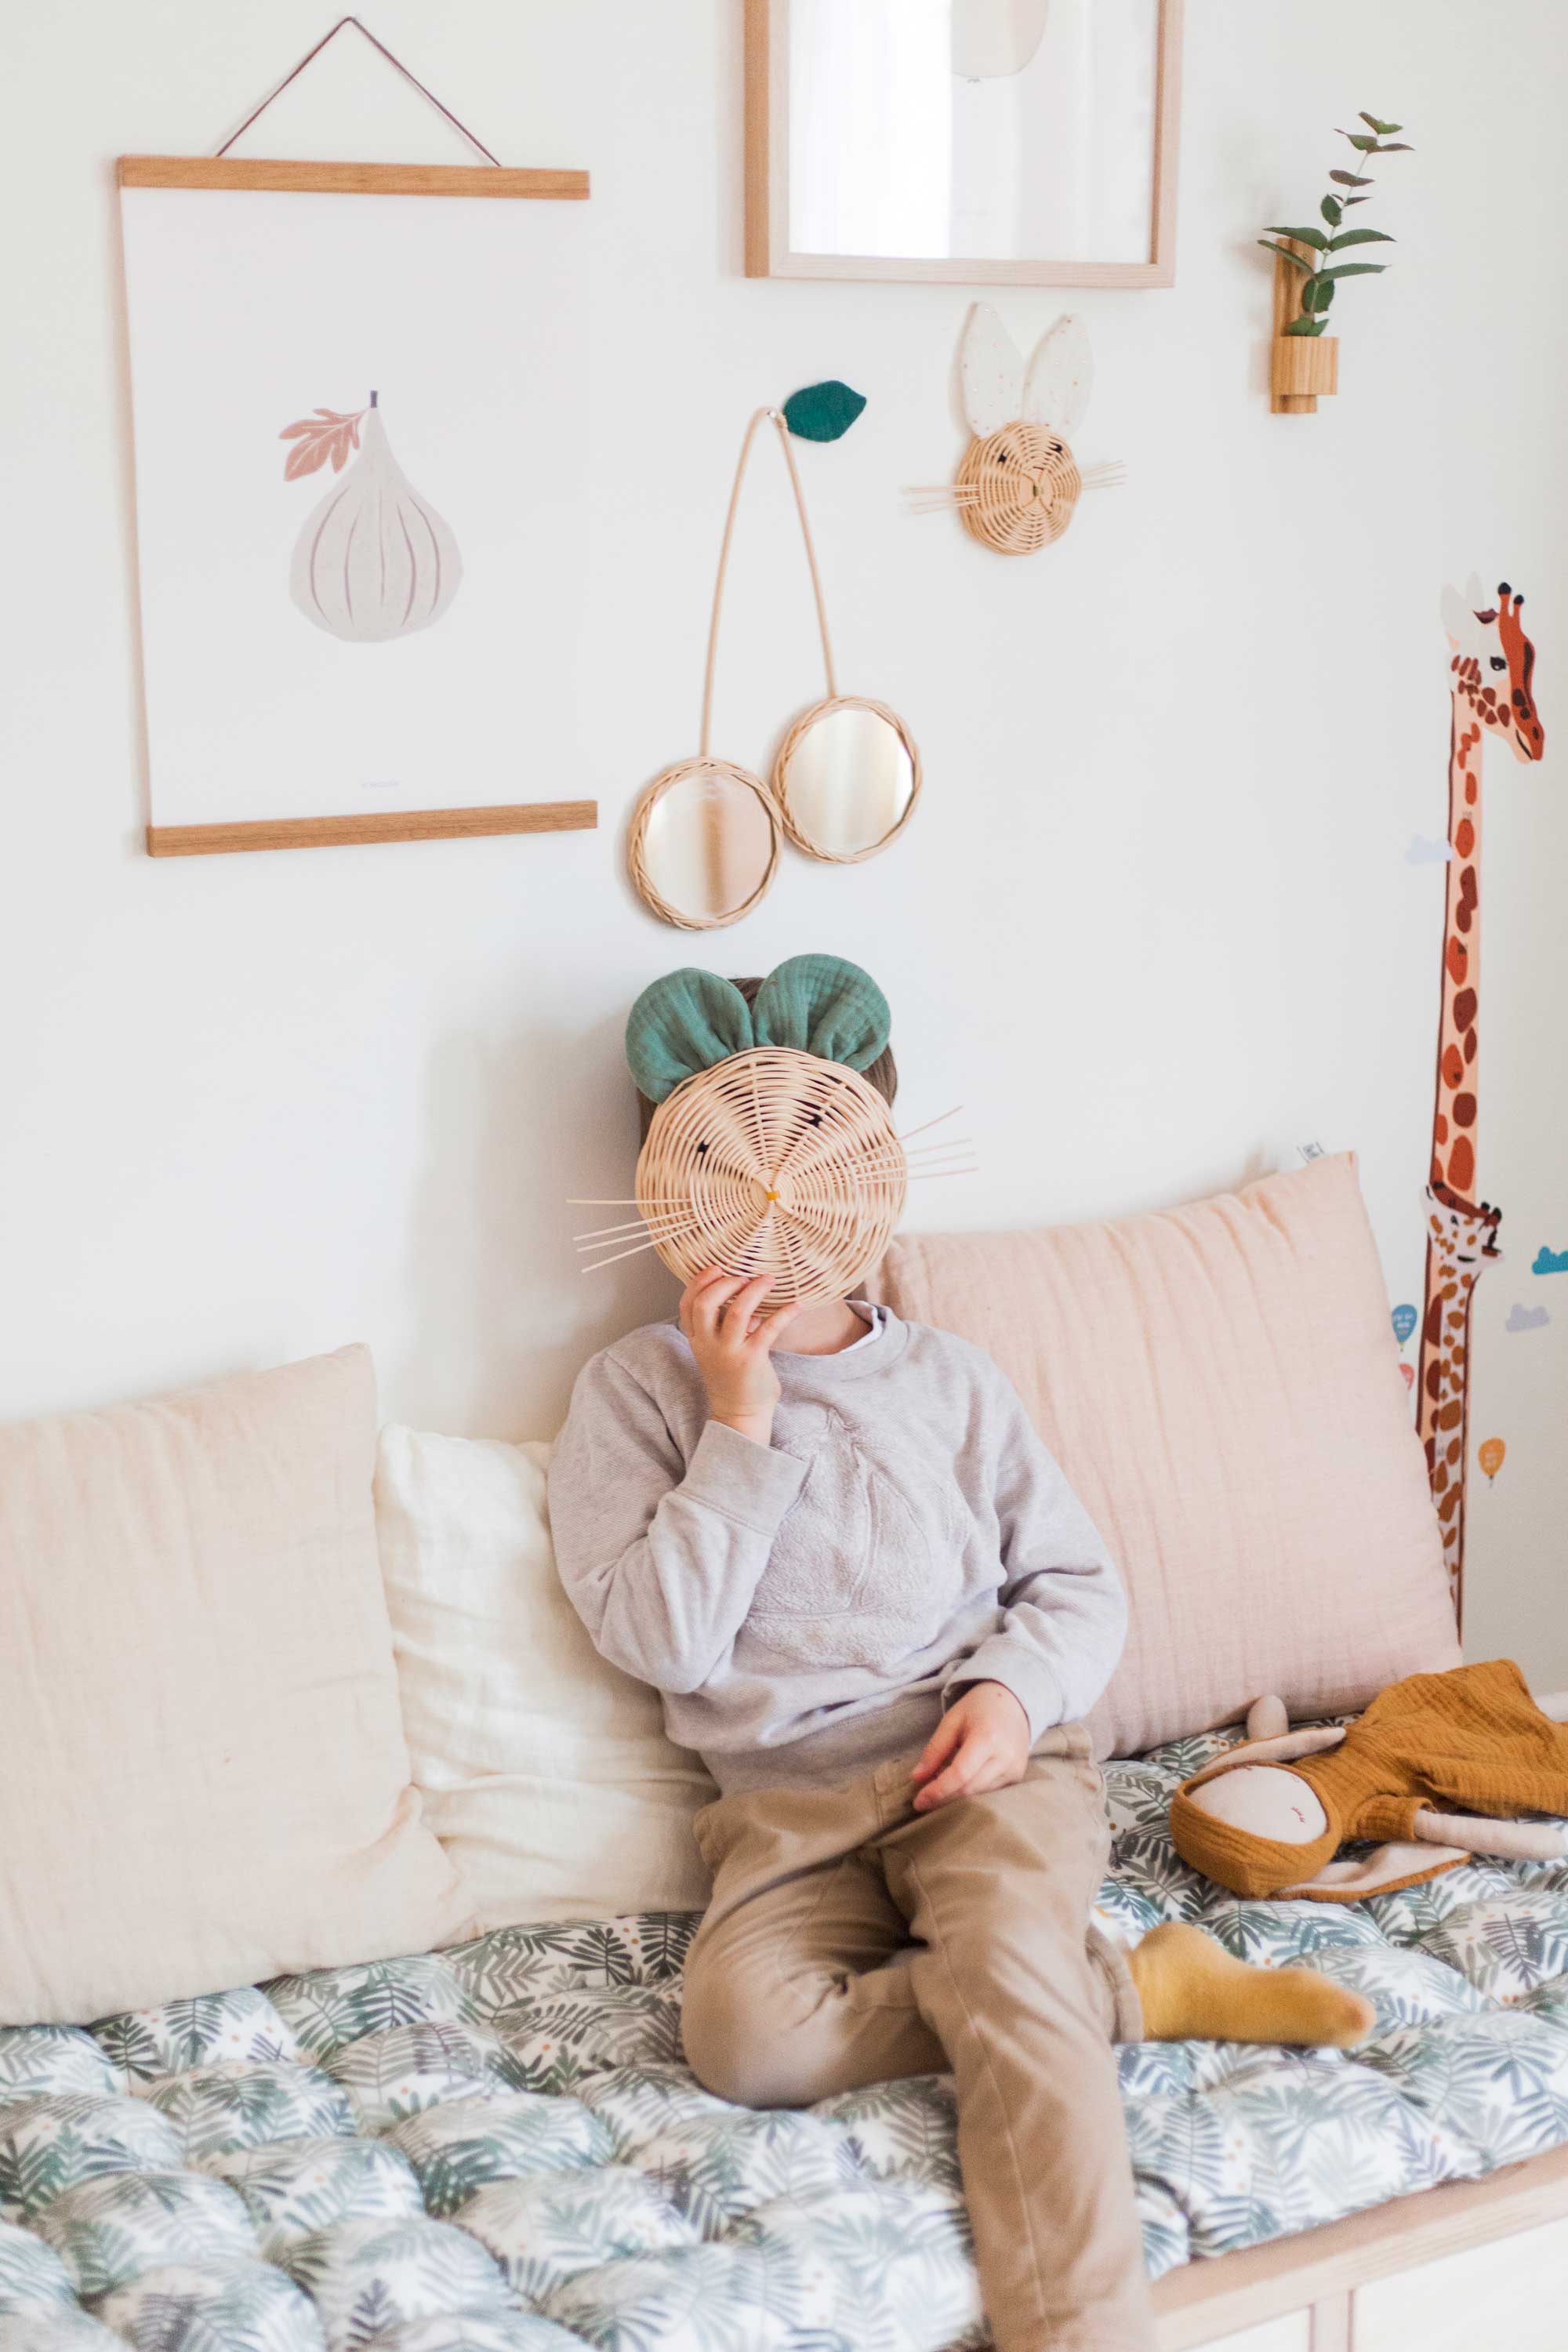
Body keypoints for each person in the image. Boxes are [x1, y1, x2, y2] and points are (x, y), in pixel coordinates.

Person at [550, 978, 1370, 2352]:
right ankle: (1125, 1987)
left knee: (996, 1955)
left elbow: (1078, 1588)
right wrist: (739, 1428)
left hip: (983, 1767)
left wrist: (1008, 1696)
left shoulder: (949, 1381)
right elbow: (661, 1642)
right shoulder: (633, 1396)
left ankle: (1083, 2330)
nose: (776, 1213)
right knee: (746, 2039)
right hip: (789, 1817)